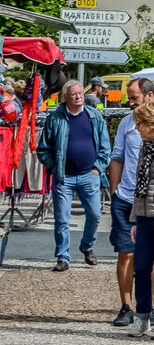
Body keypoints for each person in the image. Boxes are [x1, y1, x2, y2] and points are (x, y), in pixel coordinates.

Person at [108, 77, 154, 325]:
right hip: (127, 197)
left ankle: (148, 308)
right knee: (125, 253)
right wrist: (115, 191)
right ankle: (126, 306)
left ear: (149, 95)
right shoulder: (127, 122)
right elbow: (117, 157)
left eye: (134, 97)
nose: (130, 102)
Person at [37, 80, 111, 273]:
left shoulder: (94, 116)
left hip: (89, 175)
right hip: (64, 177)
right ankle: (63, 257)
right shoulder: (55, 118)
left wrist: (98, 168)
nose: (78, 96)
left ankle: (87, 246)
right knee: (62, 218)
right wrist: (54, 167)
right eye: (74, 94)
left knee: (95, 214)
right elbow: (43, 149)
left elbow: (105, 147)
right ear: (66, 97)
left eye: (80, 93)